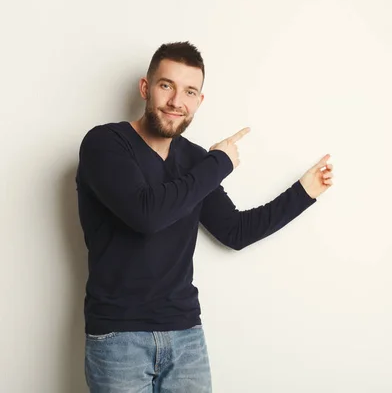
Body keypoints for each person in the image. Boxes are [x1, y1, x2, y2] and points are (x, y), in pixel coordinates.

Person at [75, 41, 334, 392]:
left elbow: (235, 231)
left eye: (189, 91)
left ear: (199, 101)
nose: (176, 101)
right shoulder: (105, 143)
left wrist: (304, 192)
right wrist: (220, 163)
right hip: (118, 338)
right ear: (146, 88)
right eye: (166, 85)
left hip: (185, 337)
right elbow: (146, 215)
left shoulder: (196, 160)